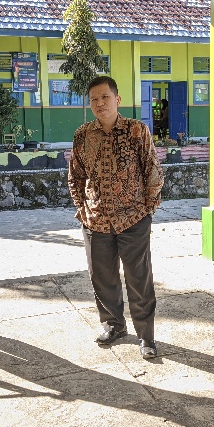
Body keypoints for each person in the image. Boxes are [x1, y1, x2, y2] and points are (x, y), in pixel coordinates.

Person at [68, 75, 164, 359]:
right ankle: (113, 325)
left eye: (105, 97)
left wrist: (148, 208)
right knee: (102, 277)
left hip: (133, 218)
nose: (100, 104)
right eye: (94, 100)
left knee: (139, 278)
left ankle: (146, 336)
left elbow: (153, 170)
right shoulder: (83, 135)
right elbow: (75, 176)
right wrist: (82, 208)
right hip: (95, 221)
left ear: (117, 99)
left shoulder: (136, 131)